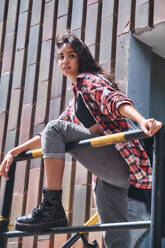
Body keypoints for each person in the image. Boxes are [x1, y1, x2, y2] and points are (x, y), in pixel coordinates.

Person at [0, 30, 162, 247]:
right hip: (108, 177)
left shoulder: (89, 80)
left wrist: (142, 121)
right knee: (115, 239)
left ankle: (52, 205)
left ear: (81, 58)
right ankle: (53, 208)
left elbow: (114, 100)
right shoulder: (76, 98)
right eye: (61, 57)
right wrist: (15, 151)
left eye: (71, 55)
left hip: (120, 162)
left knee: (56, 129)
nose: (65, 61)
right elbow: (47, 135)